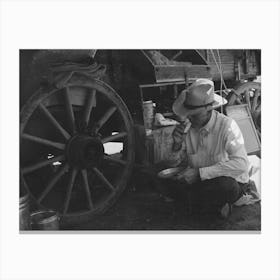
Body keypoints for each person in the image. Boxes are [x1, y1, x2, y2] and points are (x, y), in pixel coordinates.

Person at [157, 78, 250, 218]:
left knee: (225, 187)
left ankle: (192, 204)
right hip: (200, 183)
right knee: (157, 176)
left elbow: (242, 164)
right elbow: (175, 164)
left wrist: (200, 173)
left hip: (225, 181)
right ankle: (207, 206)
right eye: (188, 114)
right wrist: (176, 145)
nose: (190, 119)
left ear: (209, 110)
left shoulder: (227, 126)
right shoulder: (187, 128)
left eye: (194, 115)